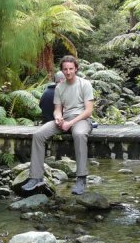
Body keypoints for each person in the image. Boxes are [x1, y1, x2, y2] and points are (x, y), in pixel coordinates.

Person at [22, 55, 94, 195]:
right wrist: (58, 118)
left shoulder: (85, 84)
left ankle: (81, 178)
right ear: (62, 70)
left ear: (76, 69)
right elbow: (57, 109)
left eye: (71, 69)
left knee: (79, 134)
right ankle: (36, 177)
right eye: (65, 69)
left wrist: (70, 123)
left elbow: (88, 111)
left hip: (81, 119)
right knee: (38, 135)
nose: (68, 72)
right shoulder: (59, 87)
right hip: (64, 119)